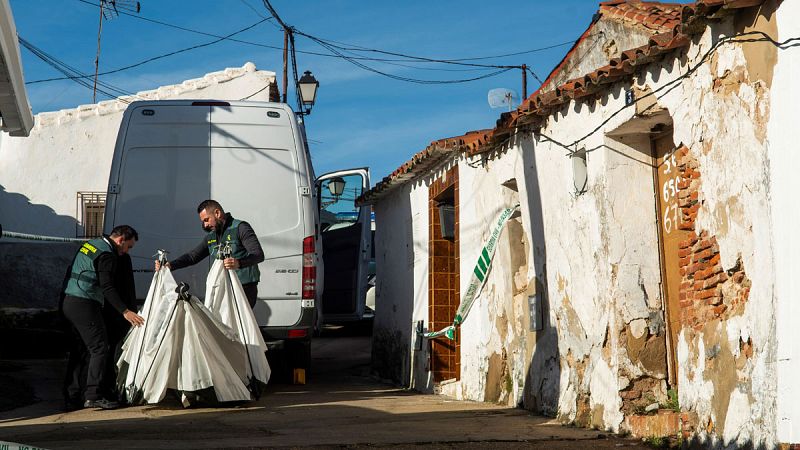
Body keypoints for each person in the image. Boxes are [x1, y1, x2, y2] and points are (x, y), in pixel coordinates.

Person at [62, 225, 145, 411]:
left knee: (80, 350)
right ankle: (93, 396)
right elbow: (107, 287)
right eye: (128, 247)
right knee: (100, 348)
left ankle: (72, 395)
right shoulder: (107, 255)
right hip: (85, 303)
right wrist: (125, 311)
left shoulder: (92, 244)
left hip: (69, 301)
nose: (127, 251)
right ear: (121, 240)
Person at [156, 199, 264, 308]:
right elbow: (192, 256)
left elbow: (258, 255)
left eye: (207, 220)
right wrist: (170, 265)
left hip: (244, 288)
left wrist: (239, 263)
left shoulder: (240, 227)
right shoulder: (211, 237)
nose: (205, 225)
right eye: (203, 221)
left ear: (217, 213)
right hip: (222, 289)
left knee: (240, 324)